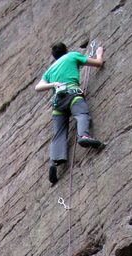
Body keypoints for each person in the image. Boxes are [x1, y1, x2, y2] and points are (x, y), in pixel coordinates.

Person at [34, 42, 104, 184]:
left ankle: (54, 161)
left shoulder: (50, 70)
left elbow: (38, 87)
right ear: (66, 50)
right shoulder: (72, 56)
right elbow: (98, 63)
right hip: (72, 94)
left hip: (58, 103)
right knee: (81, 115)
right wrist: (99, 53)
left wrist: (53, 84)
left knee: (59, 132)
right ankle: (83, 135)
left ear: (54, 57)